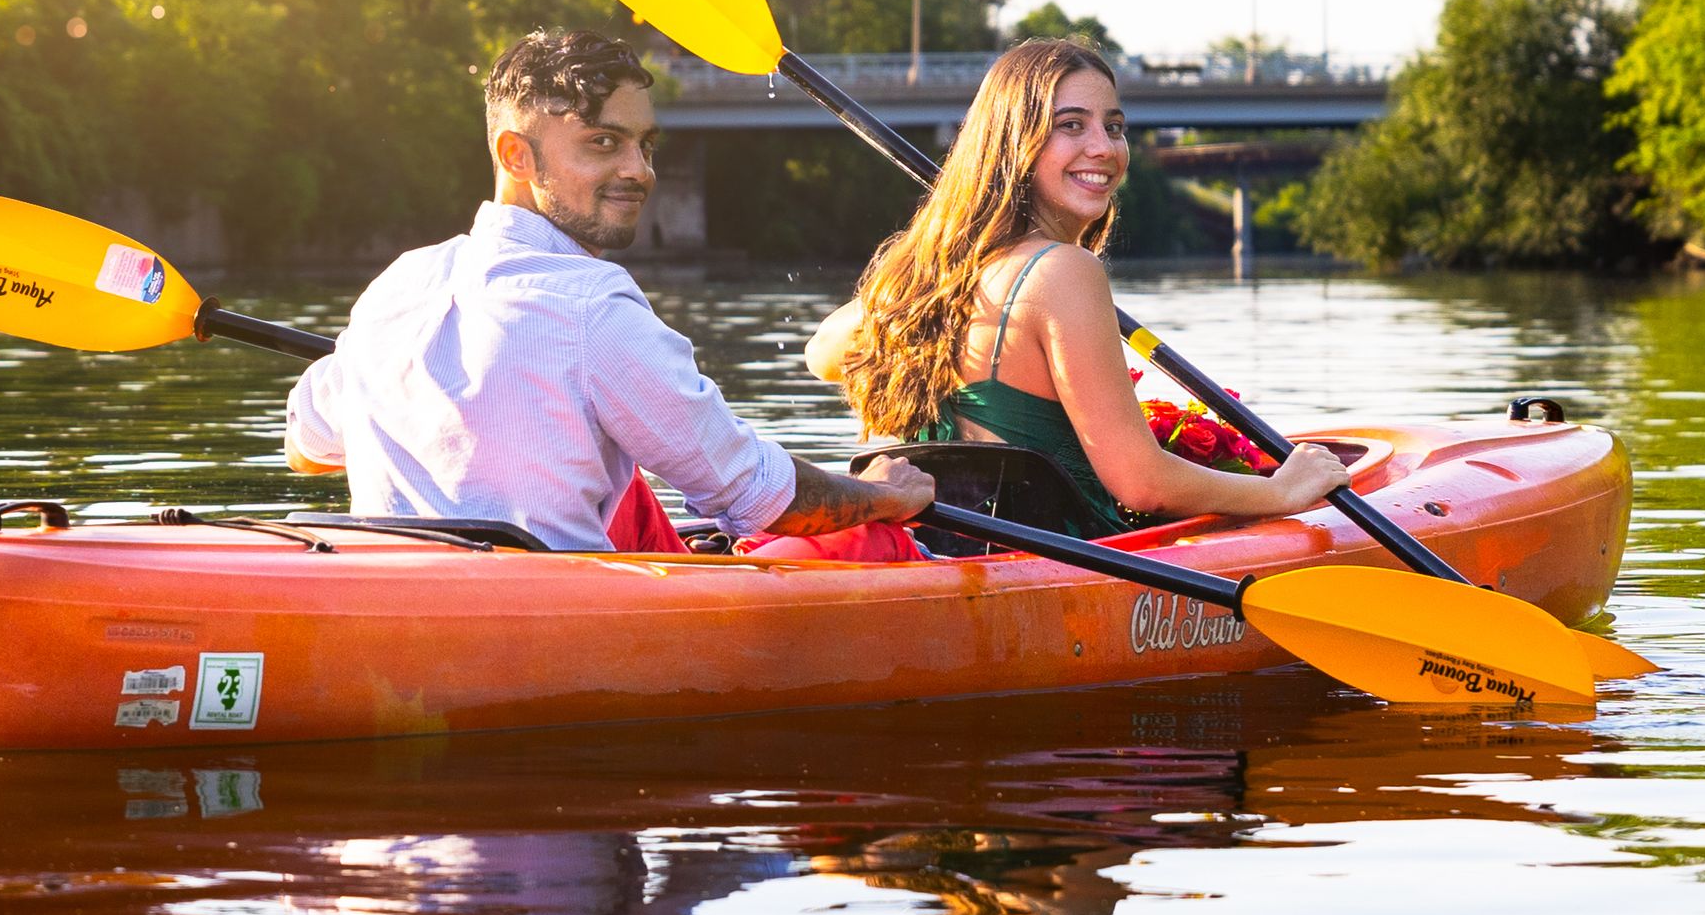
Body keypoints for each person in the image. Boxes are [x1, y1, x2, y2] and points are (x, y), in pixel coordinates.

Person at [289, 29, 933, 551]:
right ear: (516, 156)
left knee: (626, 487)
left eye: (644, 145)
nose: (639, 171)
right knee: (871, 540)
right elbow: (761, 498)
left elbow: (305, 445)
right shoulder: (592, 305)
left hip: (395, 598)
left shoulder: (399, 282)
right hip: (551, 622)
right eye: (603, 143)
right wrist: (883, 493)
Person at [806, 36, 1349, 538]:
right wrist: (1280, 492)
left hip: (945, 554)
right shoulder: (1064, 270)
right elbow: (1142, 485)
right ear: (1013, 143)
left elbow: (821, 354)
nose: (1104, 148)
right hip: (1042, 569)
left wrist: (931, 258)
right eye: (1071, 125)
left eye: (1114, 127)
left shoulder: (937, 277)